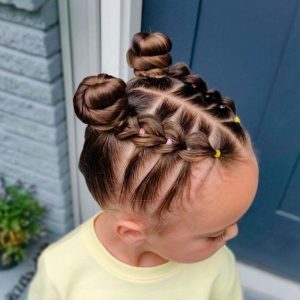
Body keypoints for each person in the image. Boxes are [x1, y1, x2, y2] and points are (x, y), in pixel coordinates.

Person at [28, 31, 259, 300]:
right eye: (216, 233)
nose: (233, 233)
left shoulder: (217, 266)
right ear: (132, 233)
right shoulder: (62, 270)